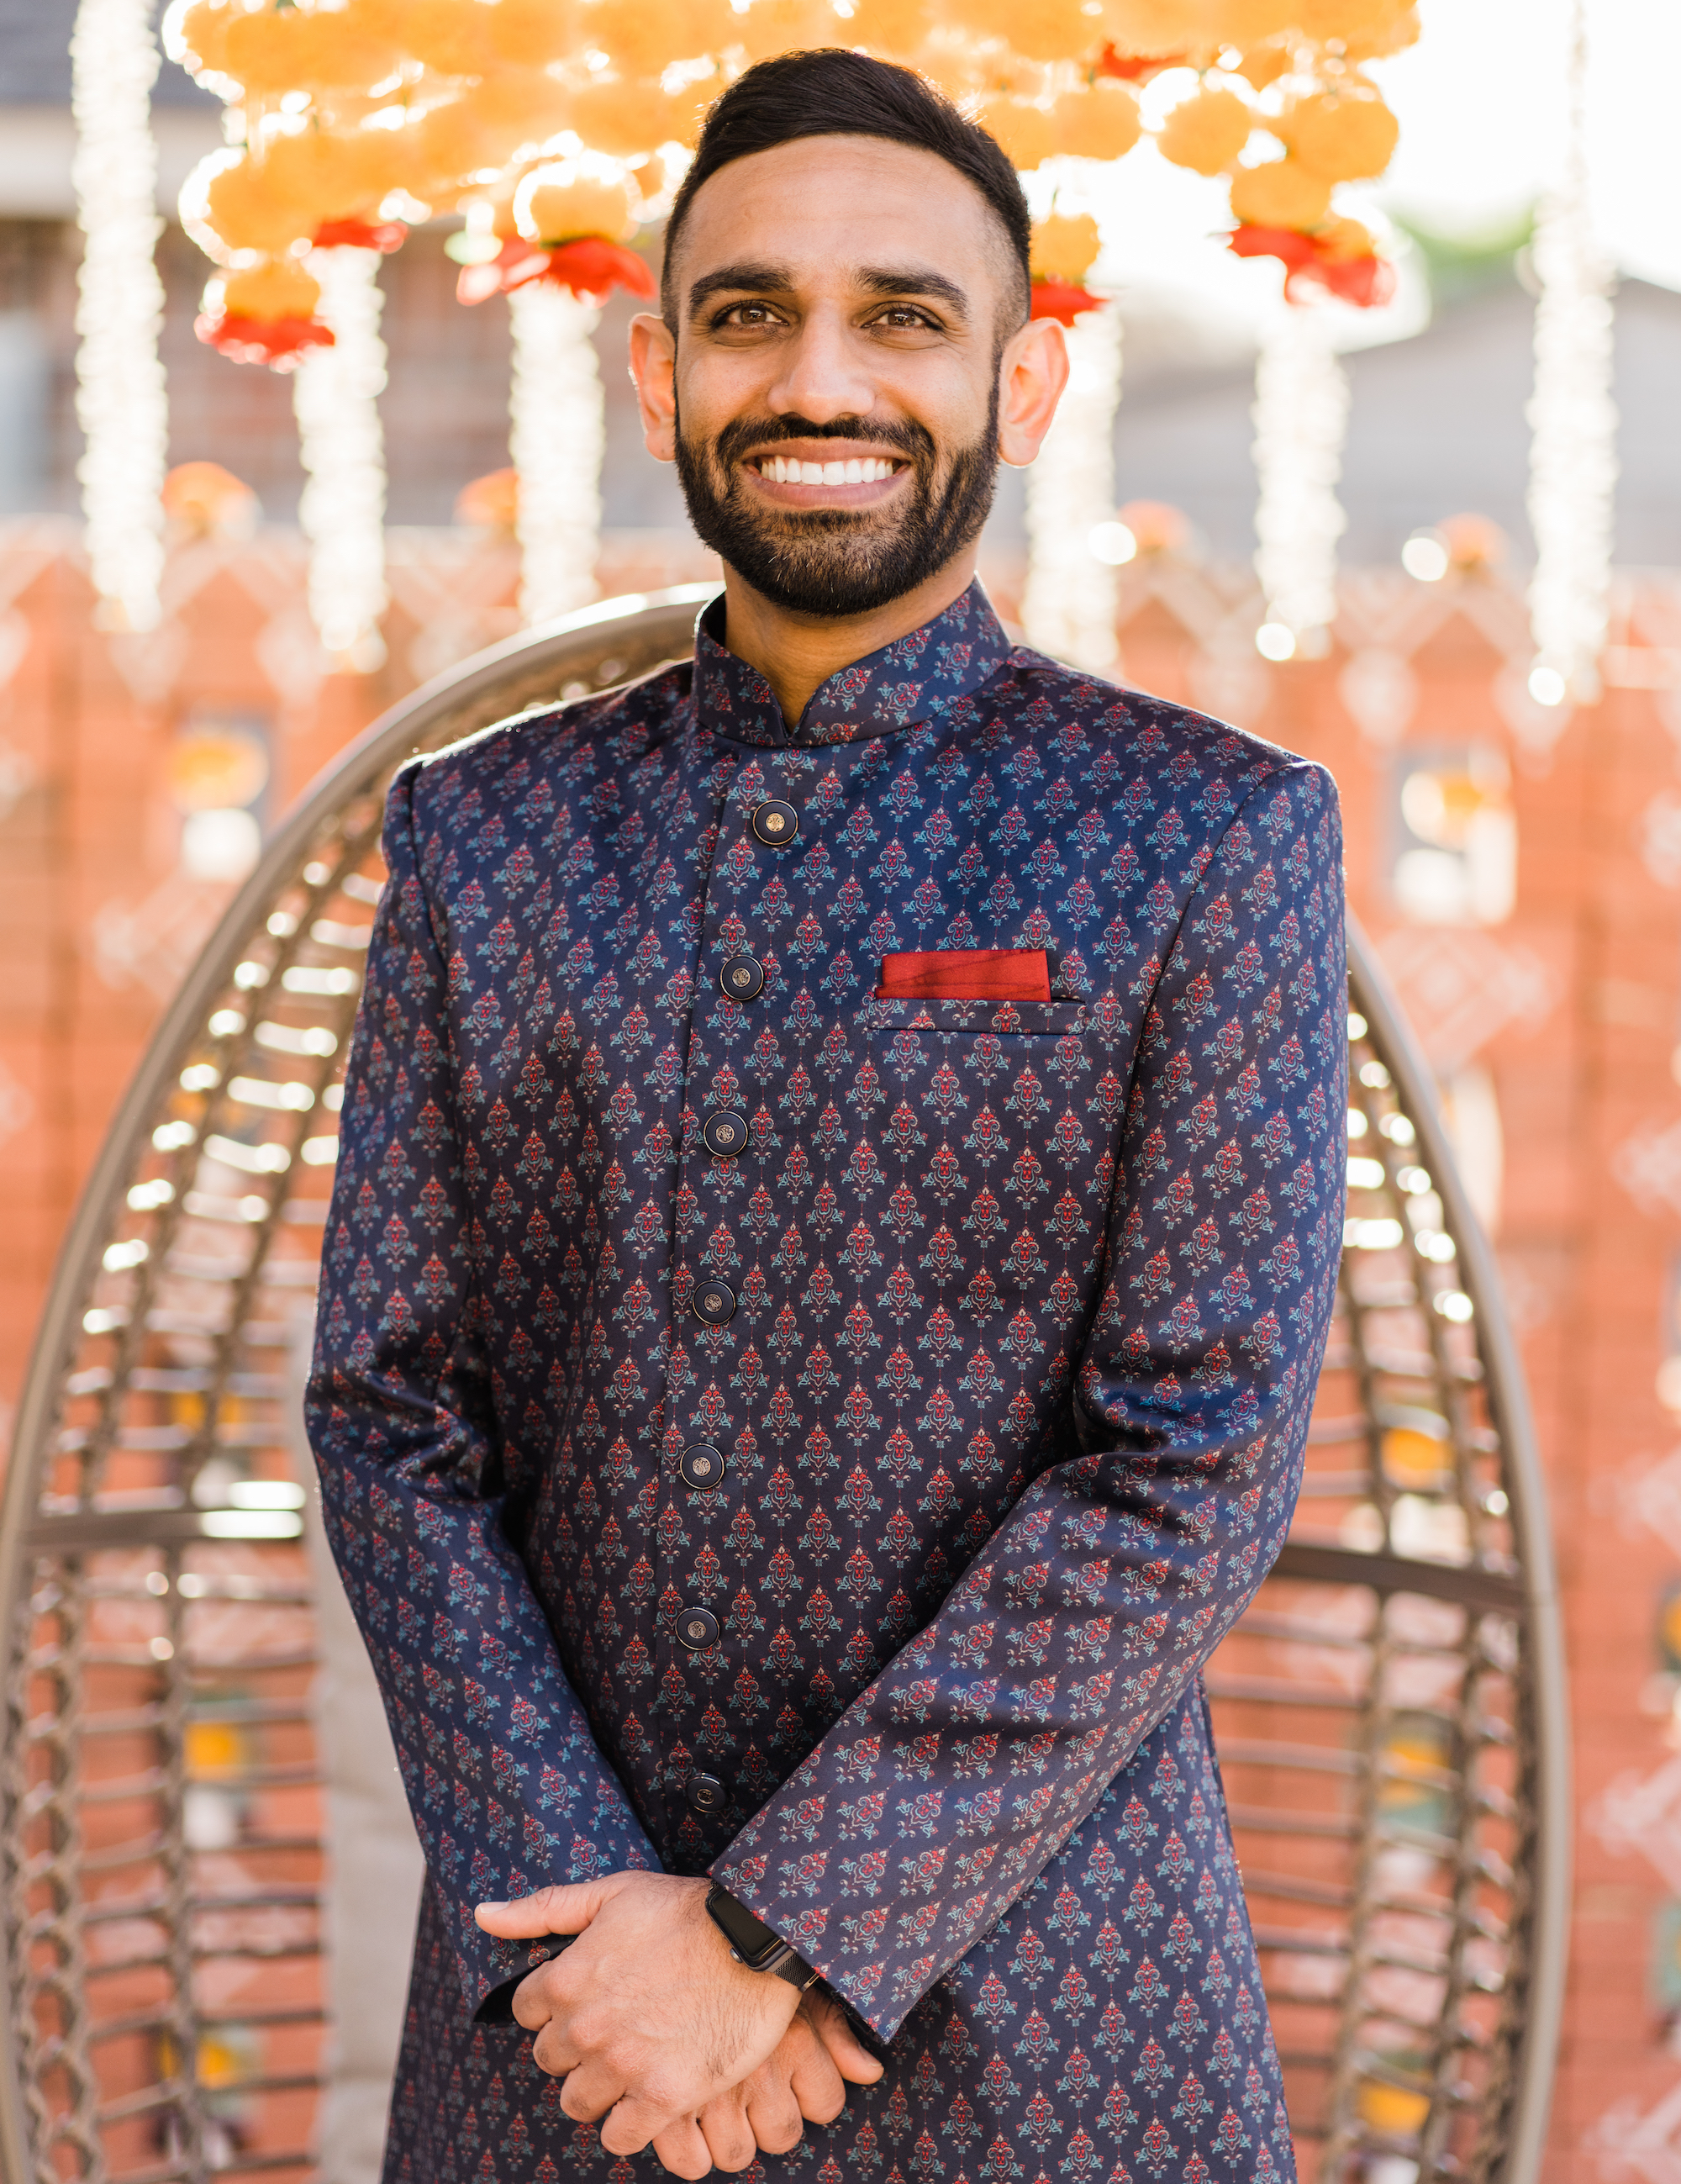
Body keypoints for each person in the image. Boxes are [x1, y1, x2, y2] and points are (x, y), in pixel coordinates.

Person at [306, 45, 1347, 2184]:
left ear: (1024, 383)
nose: (819, 375)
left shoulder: (1205, 840)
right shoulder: (485, 843)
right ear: (658, 367)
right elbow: (393, 1413)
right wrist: (601, 1938)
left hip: (1049, 2015)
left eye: (904, 313)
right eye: (750, 310)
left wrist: (783, 1939)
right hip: (561, 2013)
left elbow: (1193, 1456)